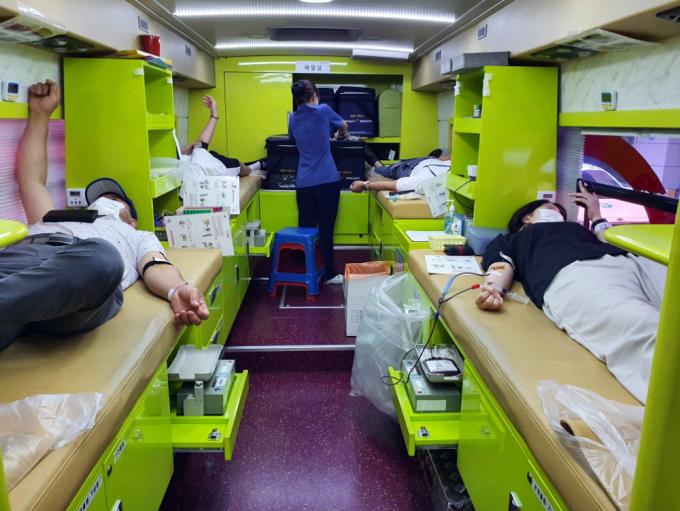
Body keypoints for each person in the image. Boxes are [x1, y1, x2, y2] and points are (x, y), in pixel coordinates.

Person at [0, 80, 209, 349]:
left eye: (114, 199)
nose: (104, 202)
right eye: (99, 199)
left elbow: (156, 266)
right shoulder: (55, 216)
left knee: (102, 258)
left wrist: (177, 289)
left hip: (81, 289)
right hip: (24, 260)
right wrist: (40, 113)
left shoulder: (137, 236)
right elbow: (31, 180)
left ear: (132, 219)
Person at [476, 181, 666, 403]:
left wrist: (596, 214)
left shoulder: (579, 229)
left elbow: (610, 239)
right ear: (527, 218)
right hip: (575, 270)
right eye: (550, 208)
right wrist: (494, 289)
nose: (558, 212)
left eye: (561, 212)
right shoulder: (513, 239)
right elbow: (500, 265)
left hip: (629, 260)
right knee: (647, 327)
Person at [288, 79, 349, 284]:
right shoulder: (323, 110)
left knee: (306, 228)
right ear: (315, 95)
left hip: (303, 183)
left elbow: (294, 140)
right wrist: (339, 135)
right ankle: (329, 273)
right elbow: (344, 126)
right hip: (327, 180)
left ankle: (307, 272)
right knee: (326, 229)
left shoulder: (292, 119)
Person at [181, 95, 267, 179]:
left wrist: (183, 152)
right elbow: (200, 145)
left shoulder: (191, 161)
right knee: (240, 167)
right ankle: (257, 165)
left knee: (235, 164)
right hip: (220, 165)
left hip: (209, 159)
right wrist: (214, 114)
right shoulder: (197, 165)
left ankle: (255, 165)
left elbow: (199, 146)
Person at [349, 152, 450, 194]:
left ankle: (374, 166)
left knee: (381, 171)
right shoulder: (452, 169)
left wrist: (364, 185)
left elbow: (393, 185)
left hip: (409, 168)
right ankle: (377, 165)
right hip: (430, 159)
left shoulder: (424, 181)